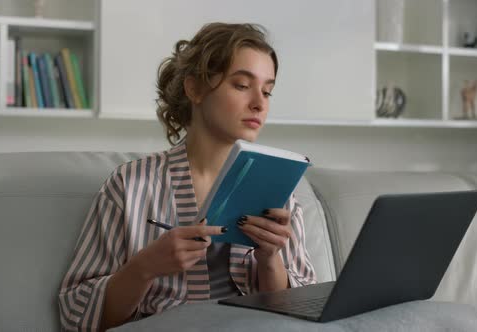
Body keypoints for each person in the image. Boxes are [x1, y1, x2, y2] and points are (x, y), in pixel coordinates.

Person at [58, 23, 317, 331]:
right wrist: (143, 268)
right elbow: (78, 314)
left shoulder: (281, 193)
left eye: (267, 90)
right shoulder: (130, 185)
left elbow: (303, 314)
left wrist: (270, 259)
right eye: (241, 85)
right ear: (194, 88)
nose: (260, 104)